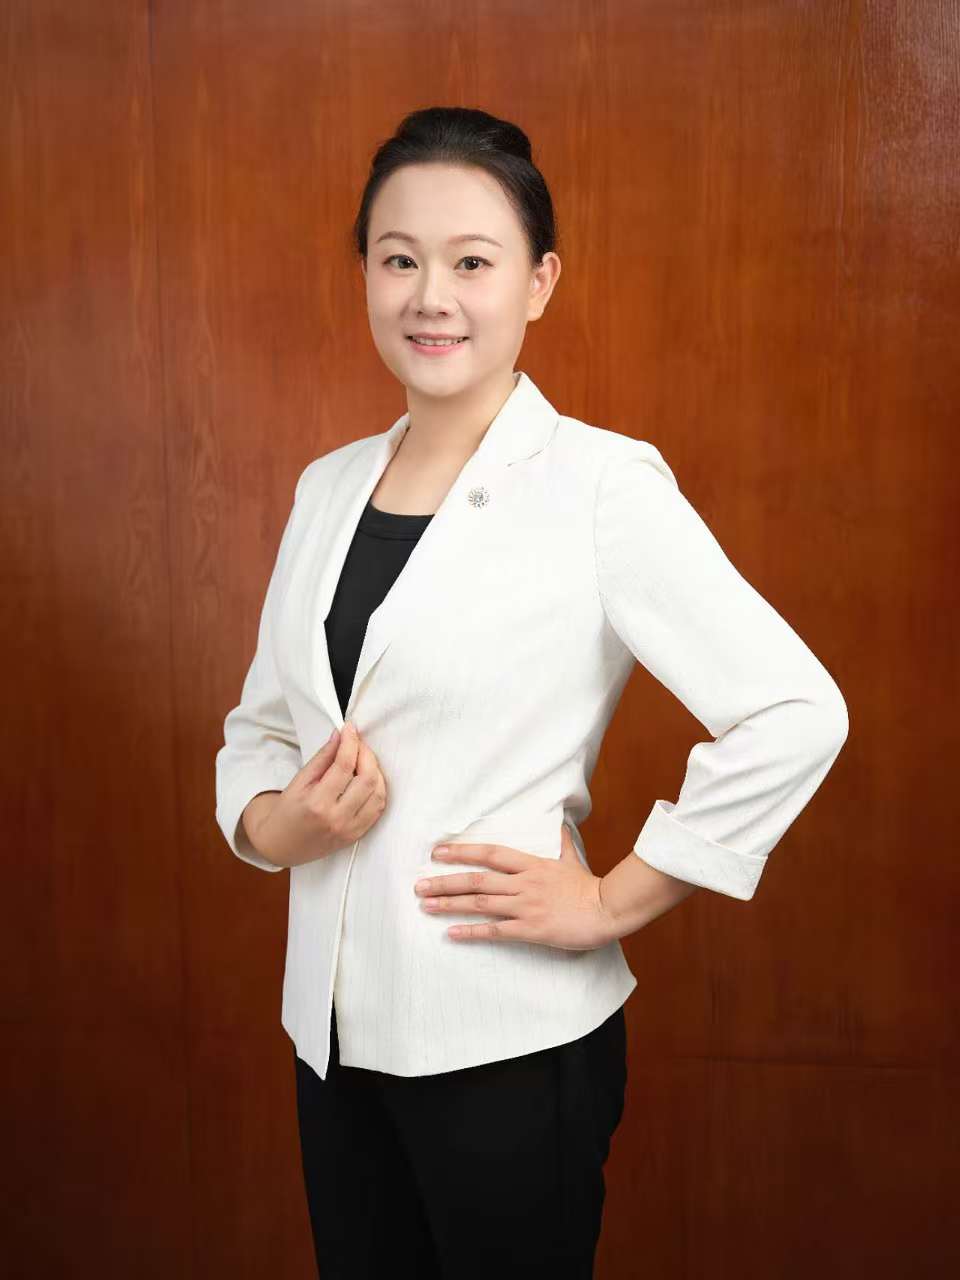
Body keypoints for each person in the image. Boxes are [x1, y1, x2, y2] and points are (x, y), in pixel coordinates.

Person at [214, 106, 849, 1279]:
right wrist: (274, 825)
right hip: (333, 1036)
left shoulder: (601, 484)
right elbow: (261, 725)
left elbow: (795, 710)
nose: (430, 297)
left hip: (506, 1040)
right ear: (365, 274)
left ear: (539, 282)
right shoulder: (325, 487)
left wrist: (612, 899)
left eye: (472, 262)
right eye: (398, 259)